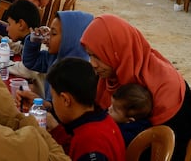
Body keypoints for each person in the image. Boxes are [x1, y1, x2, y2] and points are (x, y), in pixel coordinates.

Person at [80, 14, 191, 161]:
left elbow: (170, 148)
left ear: (118, 51)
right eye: (90, 55)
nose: (92, 63)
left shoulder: (167, 87)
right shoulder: (108, 77)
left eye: (99, 56)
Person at [47, 57, 125, 160]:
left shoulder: (89, 143)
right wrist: (55, 129)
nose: (53, 101)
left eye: (53, 97)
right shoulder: (102, 117)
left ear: (66, 100)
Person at [17, 11, 93, 110]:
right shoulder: (54, 57)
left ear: (69, 39)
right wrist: (34, 39)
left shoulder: (77, 74)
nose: (47, 37)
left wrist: (43, 105)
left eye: (53, 33)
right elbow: (31, 61)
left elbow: (64, 112)